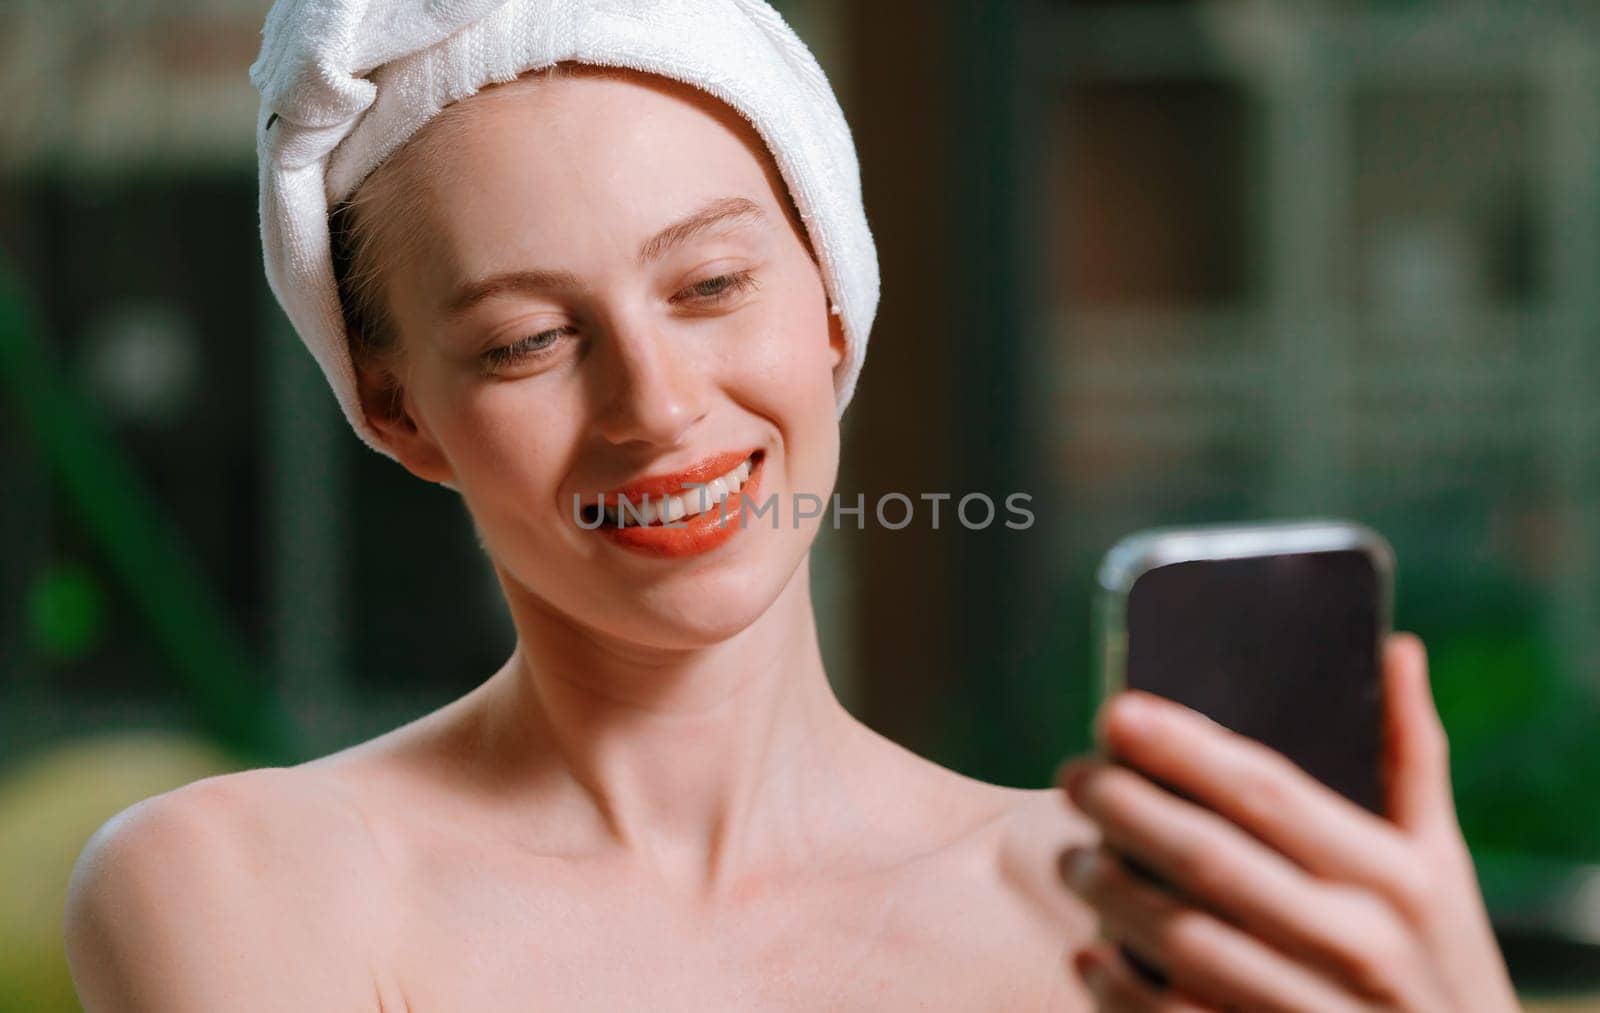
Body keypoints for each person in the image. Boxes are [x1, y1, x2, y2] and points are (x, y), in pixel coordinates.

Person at [62, 6, 1519, 1010]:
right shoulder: (240, 887)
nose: (657, 402)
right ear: (397, 411)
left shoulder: (1112, 920)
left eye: (708, 285)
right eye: (524, 341)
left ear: (830, 299)